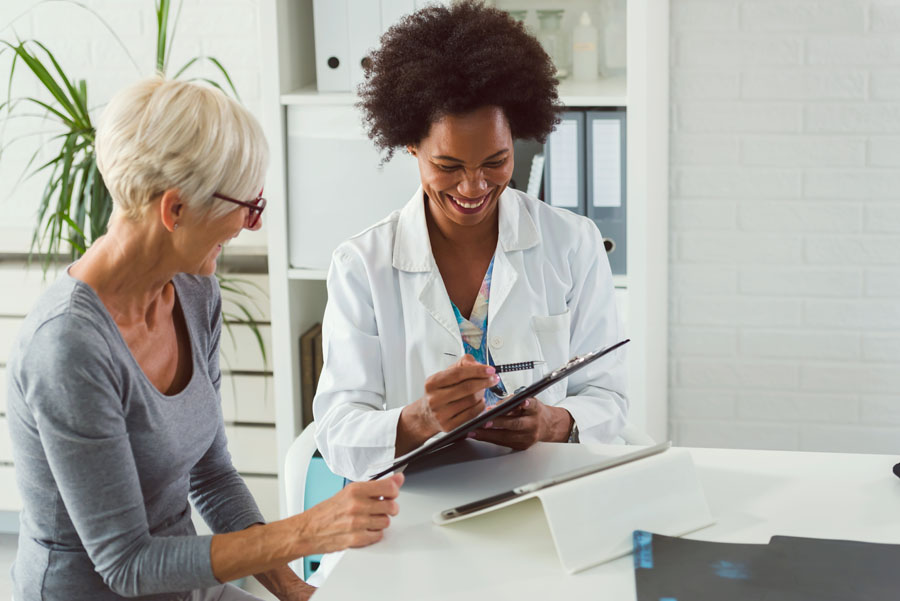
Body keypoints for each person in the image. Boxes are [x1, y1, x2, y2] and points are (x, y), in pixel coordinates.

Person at [6, 78, 403, 601]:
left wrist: (295, 591)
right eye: (248, 206)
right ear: (174, 210)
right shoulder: (67, 347)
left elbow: (212, 476)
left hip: (185, 587)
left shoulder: (194, 292)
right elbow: (127, 565)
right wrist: (306, 532)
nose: (251, 224)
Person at [313, 0, 628, 484]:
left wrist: (553, 423)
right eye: (449, 166)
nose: (473, 186)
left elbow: (610, 399)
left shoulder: (573, 243)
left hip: (547, 491)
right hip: (419, 501)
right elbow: (337, 433)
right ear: (411, 144)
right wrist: (420, 420)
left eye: (495, 162)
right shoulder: (362, 265)